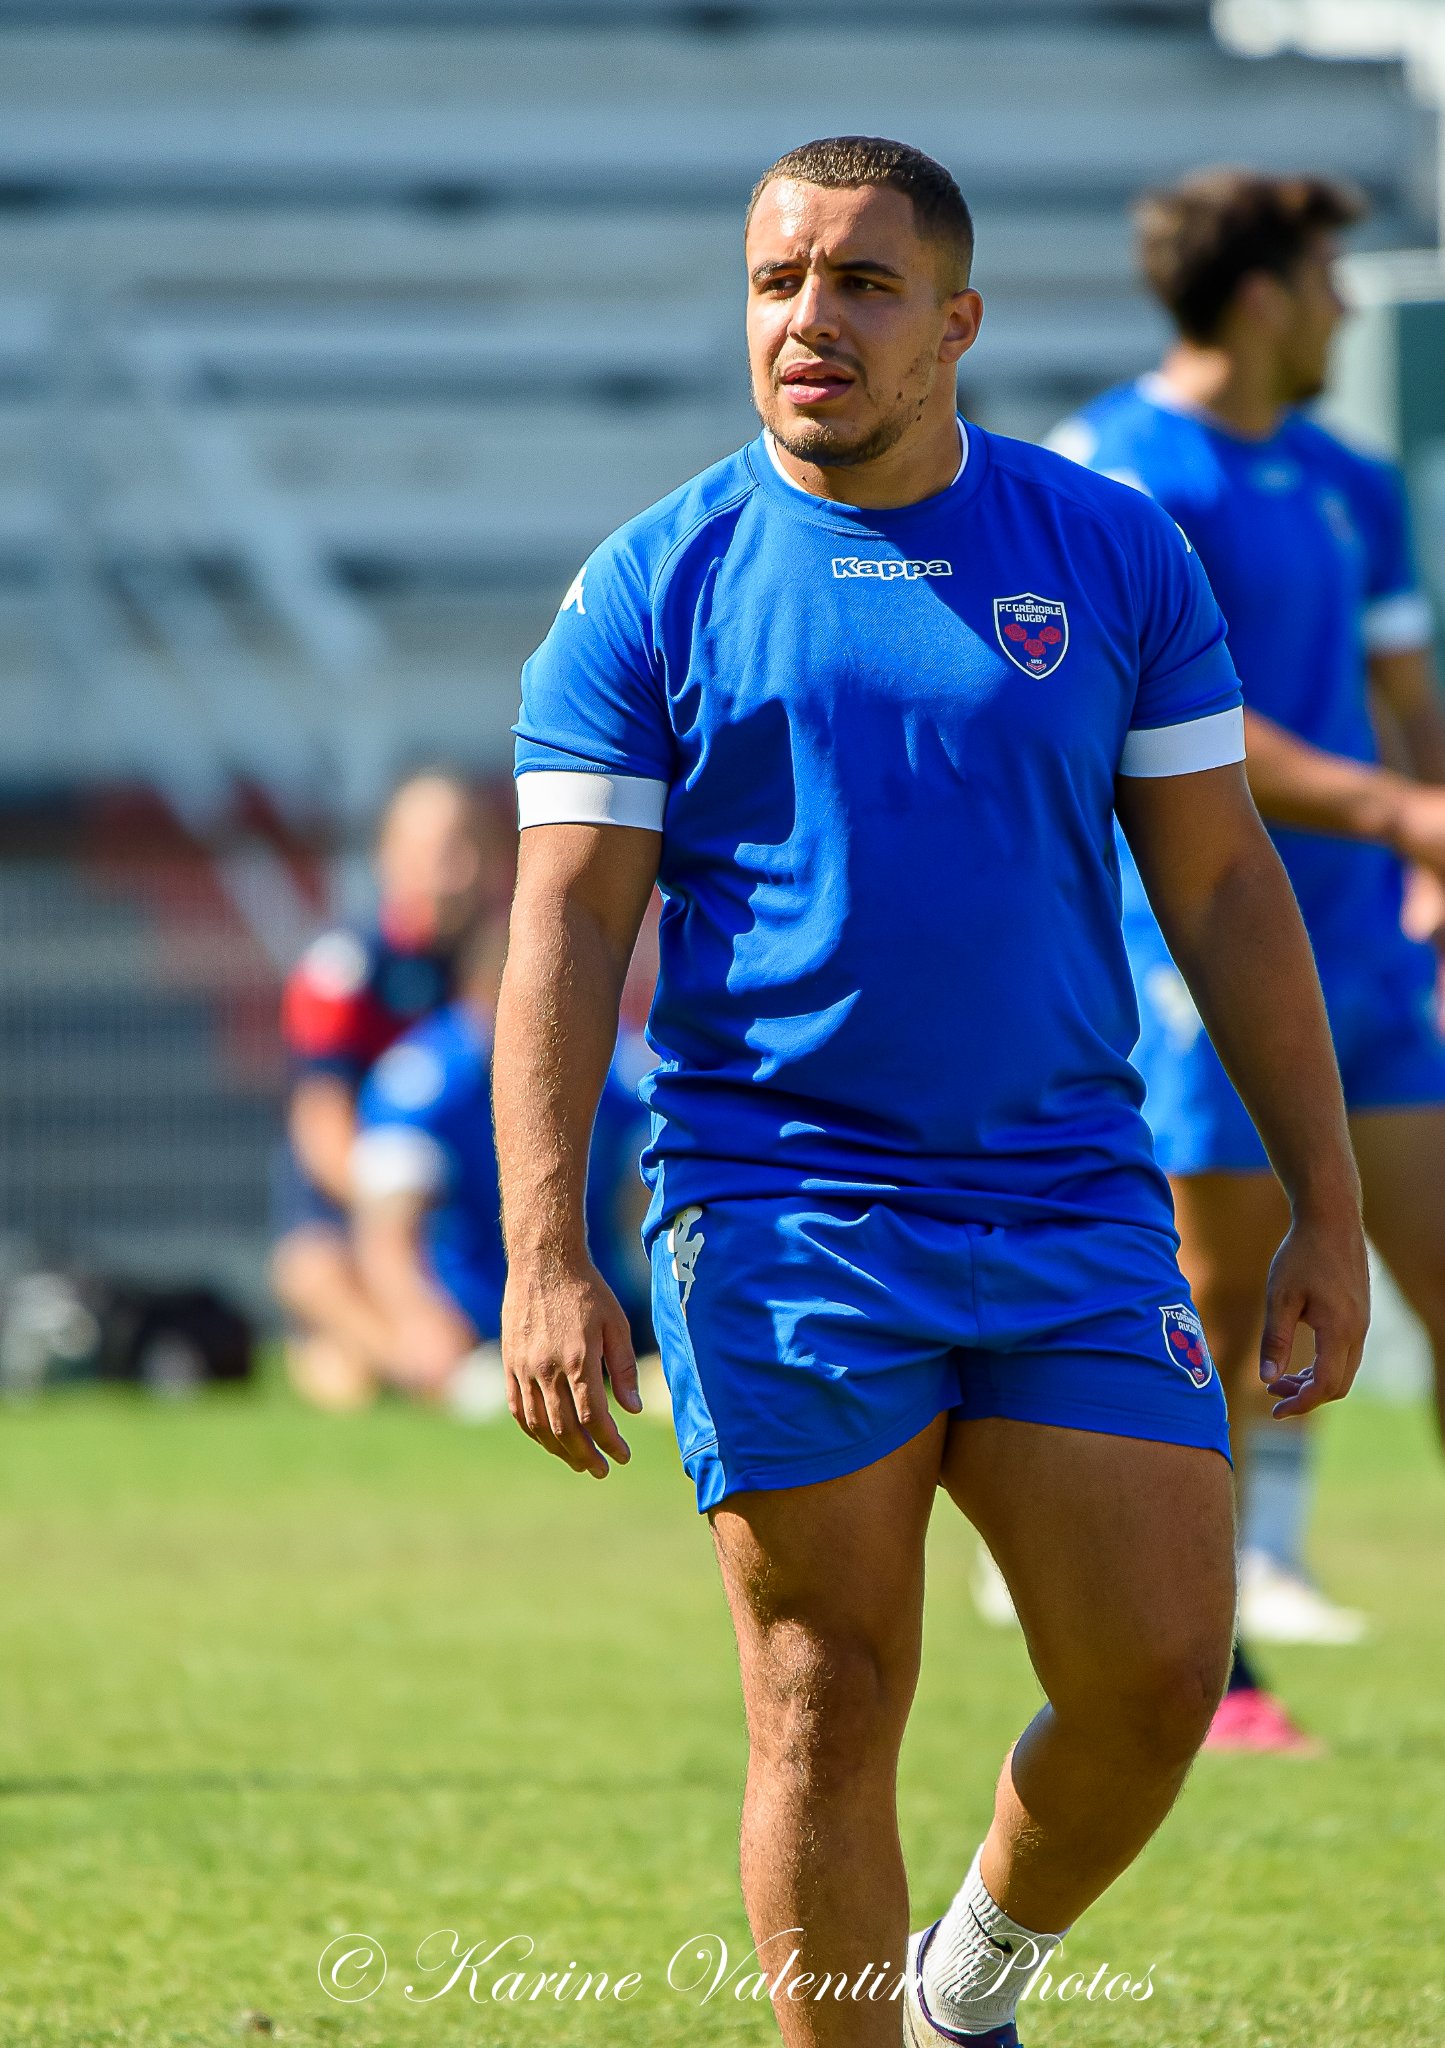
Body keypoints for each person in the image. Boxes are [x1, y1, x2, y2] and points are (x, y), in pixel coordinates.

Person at [492, 137, 1370, 2048]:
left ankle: (966, 1986)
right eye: (777, 281)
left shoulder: (1113, 548)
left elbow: (1225, 882)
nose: (809, 319)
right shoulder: (650, 582)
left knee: (1159, 1673)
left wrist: (1329, 1195)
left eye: (862, 284)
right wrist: (546, 1248)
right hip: (781, 1205)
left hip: (1071, 1196)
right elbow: (566, 923)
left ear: (957, 322)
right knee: (826, 1687)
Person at [1051, 169, 1445, 1745]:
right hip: (1199, 950)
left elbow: (1402, 694)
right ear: (1266, 295)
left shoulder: (1349, 479)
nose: (1347, 307)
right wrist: (1398, 809)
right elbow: (1182, 735)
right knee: (1213, 1314)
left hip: (1365, 953)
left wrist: (1426, 834)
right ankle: (1208, 1667)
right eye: (1329, 278)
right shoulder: (1116, 474)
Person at [353, 918, 652, 1414]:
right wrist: (420, 1321)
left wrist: (661, 1311)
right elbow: (389, 1234)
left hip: (596, 1311)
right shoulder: (422, 1080)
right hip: (468, 1320)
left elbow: (656, 1195)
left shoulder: (622, 1067)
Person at [269, 771, 497, 1409]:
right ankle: (435, 1373)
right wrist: (398, 1233)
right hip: (367, 1218)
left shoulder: (503, 963)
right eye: (428, 850)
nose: (449, 870)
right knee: (313, 1274)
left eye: (465, 847)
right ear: (386, 858)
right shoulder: (345, 971)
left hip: (477, 1215)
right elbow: (323, 1128)